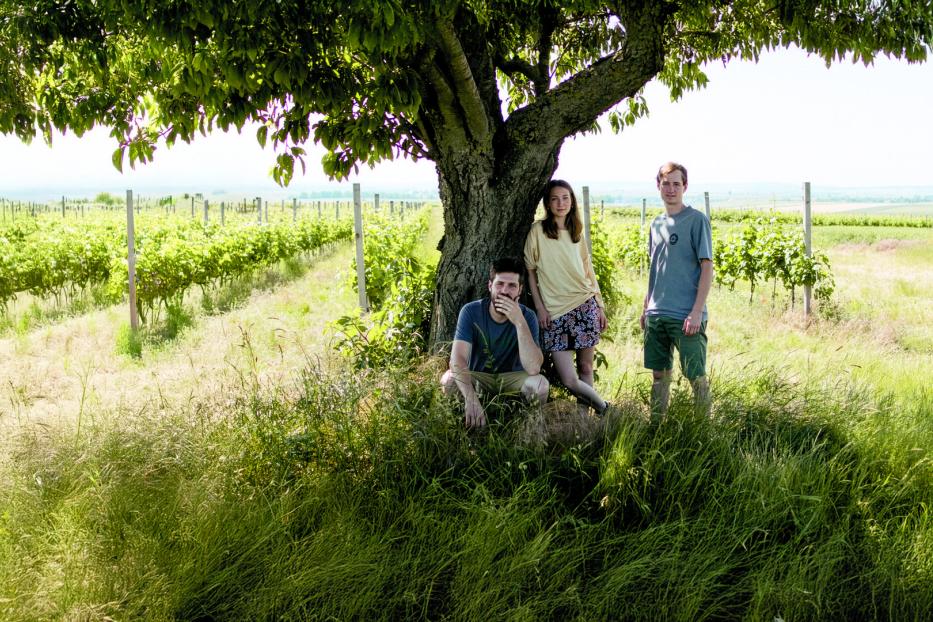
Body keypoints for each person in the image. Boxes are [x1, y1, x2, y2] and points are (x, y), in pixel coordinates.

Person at [524, 179, 610, 415]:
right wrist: (540, 307)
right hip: (554, 312)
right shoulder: (538, 232)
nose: (560, 203)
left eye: (565, 198)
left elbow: (588, 271)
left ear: (572, 202)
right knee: (568, 378)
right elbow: (531, 271)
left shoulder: (576, 233)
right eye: (554, 198)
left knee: (585, 367)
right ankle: (604, 407)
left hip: (585, 304)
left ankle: (583, 422)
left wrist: (600, 306)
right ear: (548, 204)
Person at [440, 257, 550, 428]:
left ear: (520, 290)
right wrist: (471, 399)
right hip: (478, 376)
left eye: (512, 286)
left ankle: (526, 430)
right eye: (499, 284)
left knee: (541, 385)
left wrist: (519, 322)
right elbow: (457, 360)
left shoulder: (528, 316)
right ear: (490, 286)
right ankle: (461, 428)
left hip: (511, 379)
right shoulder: (471, 311)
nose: (505, 291)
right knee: (449, 380)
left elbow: (534, 368)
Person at [641, 162, 714, 419]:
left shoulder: (696, 221)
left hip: (686, 316)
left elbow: (707, 267)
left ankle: (702, 429)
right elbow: (656, 269)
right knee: (659, 376)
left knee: (696, 376)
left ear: (685, 186)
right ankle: (657, 426)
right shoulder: (656, 224)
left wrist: (696, 312)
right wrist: (645, 308)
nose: (671, 188)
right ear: (658, 186)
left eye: (676, 183)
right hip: (656, 314)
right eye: (666, 183)